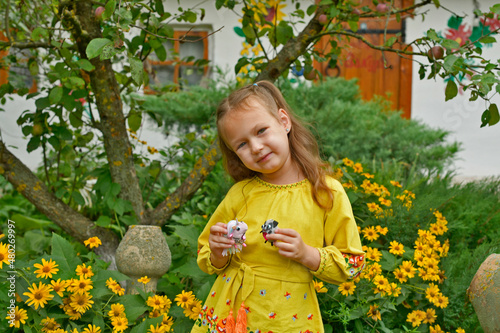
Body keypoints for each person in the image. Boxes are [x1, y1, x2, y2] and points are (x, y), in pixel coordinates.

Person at [192, 81, 365, 333]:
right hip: (229, 312)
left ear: (284, 121)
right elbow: (207, 253)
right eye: (241, 144)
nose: (256, 147)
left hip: (288, 317)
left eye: (261, 130)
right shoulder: (240, 194)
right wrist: (218, 253)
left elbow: (352, 262)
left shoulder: (325, 192)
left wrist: (307, 254)